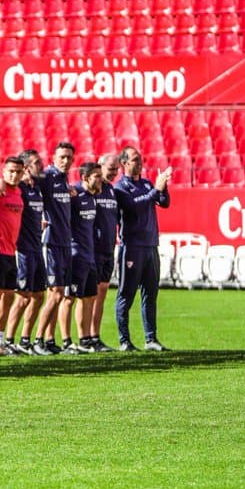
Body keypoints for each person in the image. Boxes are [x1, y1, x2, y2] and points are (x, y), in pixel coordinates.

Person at [114, 147, 172, 352]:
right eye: (135, 160)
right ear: (124, 163)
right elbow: (132, 207)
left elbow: (164, 203)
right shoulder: (120, 187)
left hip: (150, 245)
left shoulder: (147, 183)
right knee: (126, 294)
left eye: (141, 159)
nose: (140, 163)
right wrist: (155, 190)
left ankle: (151, 339)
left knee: (150, 293)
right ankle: (124, 340)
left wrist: (163, 187)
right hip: (131, 247)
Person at [34, 141, 76, 354]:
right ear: (53, 158)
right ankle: (37, 339)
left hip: (64, 242)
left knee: (60, 294)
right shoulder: (48, 176)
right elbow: (26, 180)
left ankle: (49, 340)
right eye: (62, 157)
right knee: (55, 294)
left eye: (69, 157)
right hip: (50, 242)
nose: (66, 161)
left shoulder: (64, 180)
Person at [7, 149, 50, 355]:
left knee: (39, 296)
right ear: (25, 168)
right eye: (35, 163)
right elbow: (2, 182)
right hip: (23, 248)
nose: (40, 166)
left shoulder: (37, 189)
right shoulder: (19, 187)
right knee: (23, 296)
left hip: (36, 247)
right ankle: (8, 339)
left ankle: (25, 340)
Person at [0, 157, 25, 356]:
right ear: (4, 171)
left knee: (8, 295)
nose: (14, 175)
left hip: (11, 251)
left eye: (18, 171)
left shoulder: (18, 191)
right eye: (11, 171)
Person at [64, 162, 102, 354]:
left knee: (89, 297)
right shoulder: (74, 194)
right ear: (85, 178)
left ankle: (85, 339)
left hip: (89, 255)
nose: (100, 179)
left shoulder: (92, 197)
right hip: (75, 254)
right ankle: (65, 340)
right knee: (69, 298)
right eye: (96, 176)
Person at [90, 153, 121, 352]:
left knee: (101, 294)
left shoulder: (111, 190)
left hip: (108, 250)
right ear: (100, 166)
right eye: (111, 168)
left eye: (116, 169)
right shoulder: (90, 190)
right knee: (86, 296)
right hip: (91, 249)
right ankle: (84, 338)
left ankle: (95, 336)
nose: (114, 173)